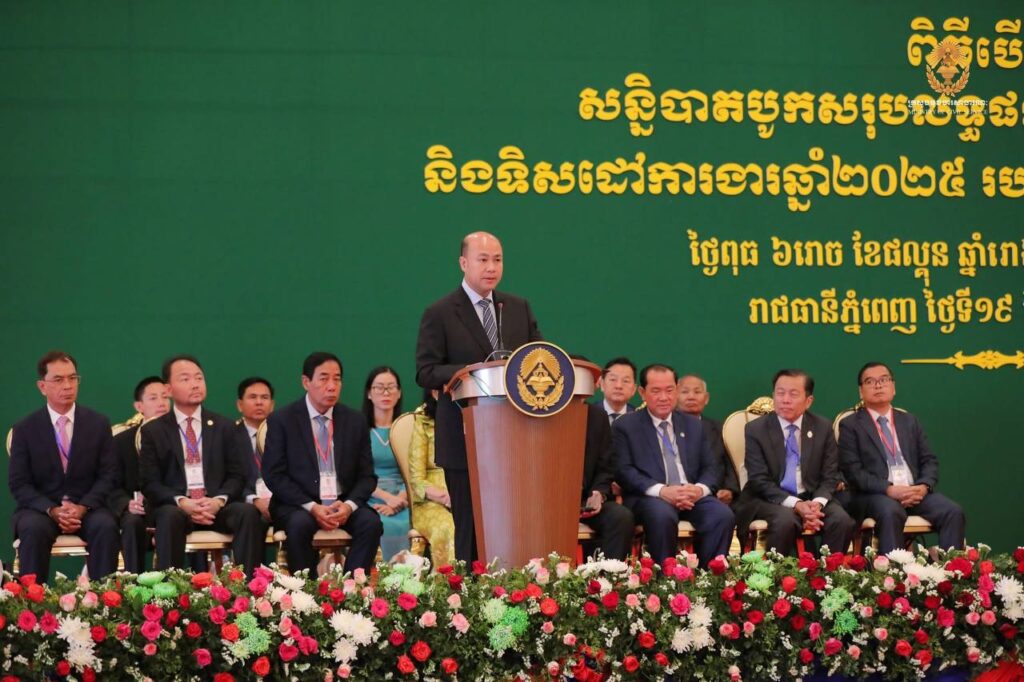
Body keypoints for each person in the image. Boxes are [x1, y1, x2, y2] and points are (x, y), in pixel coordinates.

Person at [415, 231, 542, 564]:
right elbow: (426, 371)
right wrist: (471, 372)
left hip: (514, 436)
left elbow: (537, 358)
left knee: (513, 523)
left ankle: (513, 586)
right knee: (470, 527)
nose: (491, 267)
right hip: (463, 436)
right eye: (483, 259)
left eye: (497, 260)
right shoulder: (440, 312)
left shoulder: (517, 307)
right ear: (463, 263)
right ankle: (471, 590)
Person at [139, 355, 264, 573]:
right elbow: (150, 482)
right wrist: (182, 502)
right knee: (169, 516)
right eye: (185, 379)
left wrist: (218, 500)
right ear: (168, 389)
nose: (195, 384)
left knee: (247, 513)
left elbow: (237, 476)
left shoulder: (225, 427)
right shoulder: (154, 431)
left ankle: (249, 585)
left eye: (199, 378)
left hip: (215, 506)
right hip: (177, 507)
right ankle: (168, 589)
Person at [261, 352, 382, 575]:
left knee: (370, 523)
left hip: (341, 502)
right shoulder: (282, 420)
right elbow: (274, 475)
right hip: (299, 504)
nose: (332, 386)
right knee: (299, 525)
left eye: (337, 379)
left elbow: (367, 477)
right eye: (324, 378)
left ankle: (352, 587)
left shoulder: (355, 421)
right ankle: (307, 591)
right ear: (306, 382)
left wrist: (348, 506)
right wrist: (313, 507)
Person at [8, 351, 120, 582]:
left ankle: (106, 599)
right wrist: (52, 510)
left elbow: (109, 475)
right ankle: (32, 599)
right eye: (58, 379)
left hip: (88, 507)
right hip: (42, 510)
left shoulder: (98, 423)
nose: (67, 385)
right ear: (42, 386)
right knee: (33, 528)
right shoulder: (25, 429)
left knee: (106, 525)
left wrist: (83, 506)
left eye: (72, 378)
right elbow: (19, 483)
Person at [614, 364, 734, 567]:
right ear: (642, 392)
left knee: (722, 515)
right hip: (650, 496)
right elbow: (624, 471)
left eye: (669, 390)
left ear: (676, 390)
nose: (664, 397)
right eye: (656, 391)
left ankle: (709, 579)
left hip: (690, 495)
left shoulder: (693, 425)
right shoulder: (626, 425)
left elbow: (711, 467)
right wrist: (662, 491)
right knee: (662, 515)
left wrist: (699, 489)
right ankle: (665, 579)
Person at [838, 362, 965, 554]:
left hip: (914, 491)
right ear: (861, 391)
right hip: (875, 495)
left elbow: (929, 460)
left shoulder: (909, 421)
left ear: (893, 387)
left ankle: (951, 570)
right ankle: (892, 572)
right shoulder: (850, 424)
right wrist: (889, 489)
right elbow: (853, 472)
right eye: (870, 381)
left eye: (884, 380)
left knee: (952, 511)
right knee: (891, 511)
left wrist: (923, 487)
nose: (878, 385)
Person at [742, 369, 856, 556]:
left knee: (841, 520)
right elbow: (758, 479)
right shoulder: (756, 429)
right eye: (780, 393)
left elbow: (830, 475)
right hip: (770, 498)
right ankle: (777, 572)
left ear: (808, 401)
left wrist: (816, 505)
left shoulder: (822, 427)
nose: (785, 400)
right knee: (785, 520)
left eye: (793, 394)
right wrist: (796, 504)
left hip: (811, 495)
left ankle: (828, 572)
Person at [108, 376, 170, 573]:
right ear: (139, 406)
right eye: (153, 398)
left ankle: (180, 586)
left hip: (173, 508)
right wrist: (126, 503)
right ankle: (134, 582)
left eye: (165, 397)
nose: (161, 403)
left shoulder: (184, 437)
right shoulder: (121, 442)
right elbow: (111, 484)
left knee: (172, 518)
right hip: (137, 510)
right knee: (132, 522)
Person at [362, 366, 410, 561]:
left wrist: (399, 500)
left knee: (404, 523)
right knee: (380, 523)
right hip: (370, 497)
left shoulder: (408, 429)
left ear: (399, 393)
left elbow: (413, 472)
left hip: (404, 497)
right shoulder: (359, 430)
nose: (386, 393)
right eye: (379, 387)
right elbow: (356, 475)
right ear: (369, 393)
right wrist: (387, 498)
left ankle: (405, 577)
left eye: (391, 387)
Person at [580, 401, 635, 560]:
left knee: (620, 517)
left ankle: (609, 574)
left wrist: (599, 492)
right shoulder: (538, 411)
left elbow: (605, 466)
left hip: (586, 500)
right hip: (546, 503)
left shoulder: (596, 415)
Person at [407, 389, 456, 567]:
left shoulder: (469, 413)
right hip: (430, 502)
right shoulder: (423, 419)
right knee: (448, 528)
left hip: (466, 493)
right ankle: (449, 582)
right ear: (433, 392)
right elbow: (416, 480)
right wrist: (445, 497)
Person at [676, 374, 740, 505]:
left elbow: (730, 464)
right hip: (676, 494)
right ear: (675, 397)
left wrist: (730, 489)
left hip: (713, 494)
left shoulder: (720, 429)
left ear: (706, 398)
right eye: (685, 392)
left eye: (697, 392)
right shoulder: (666, 427)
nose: (691, 396)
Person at [235, 376, 275, 523]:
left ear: (272, 405)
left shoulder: (284, 435)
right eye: (253, 397)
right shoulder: (228, 436)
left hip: (280, 502)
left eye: (264, 397)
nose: (259, 402)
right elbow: (227, 479)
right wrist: (254, 499)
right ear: (240, 405)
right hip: (245, 506)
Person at [595, 357, 637, 425]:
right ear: (602, 384)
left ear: (634, 389)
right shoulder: (588, 414)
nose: (618, 386)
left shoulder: (639, 418)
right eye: (613, 379)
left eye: (626, 381)